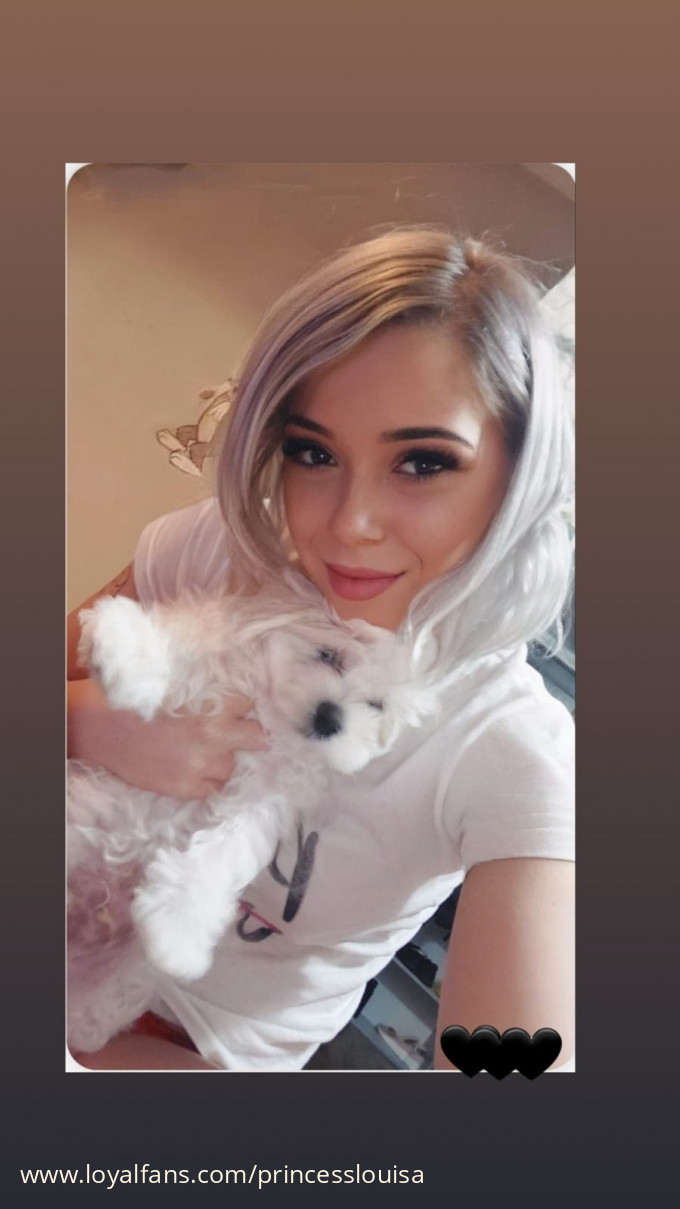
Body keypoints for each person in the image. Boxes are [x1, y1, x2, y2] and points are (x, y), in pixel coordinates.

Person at [67, 225, 575, 1072]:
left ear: (518, 474)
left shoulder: (512, 750)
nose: (349, 524)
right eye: (313, 452)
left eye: (423, 462)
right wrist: (82, 719)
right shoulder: (224, 550)